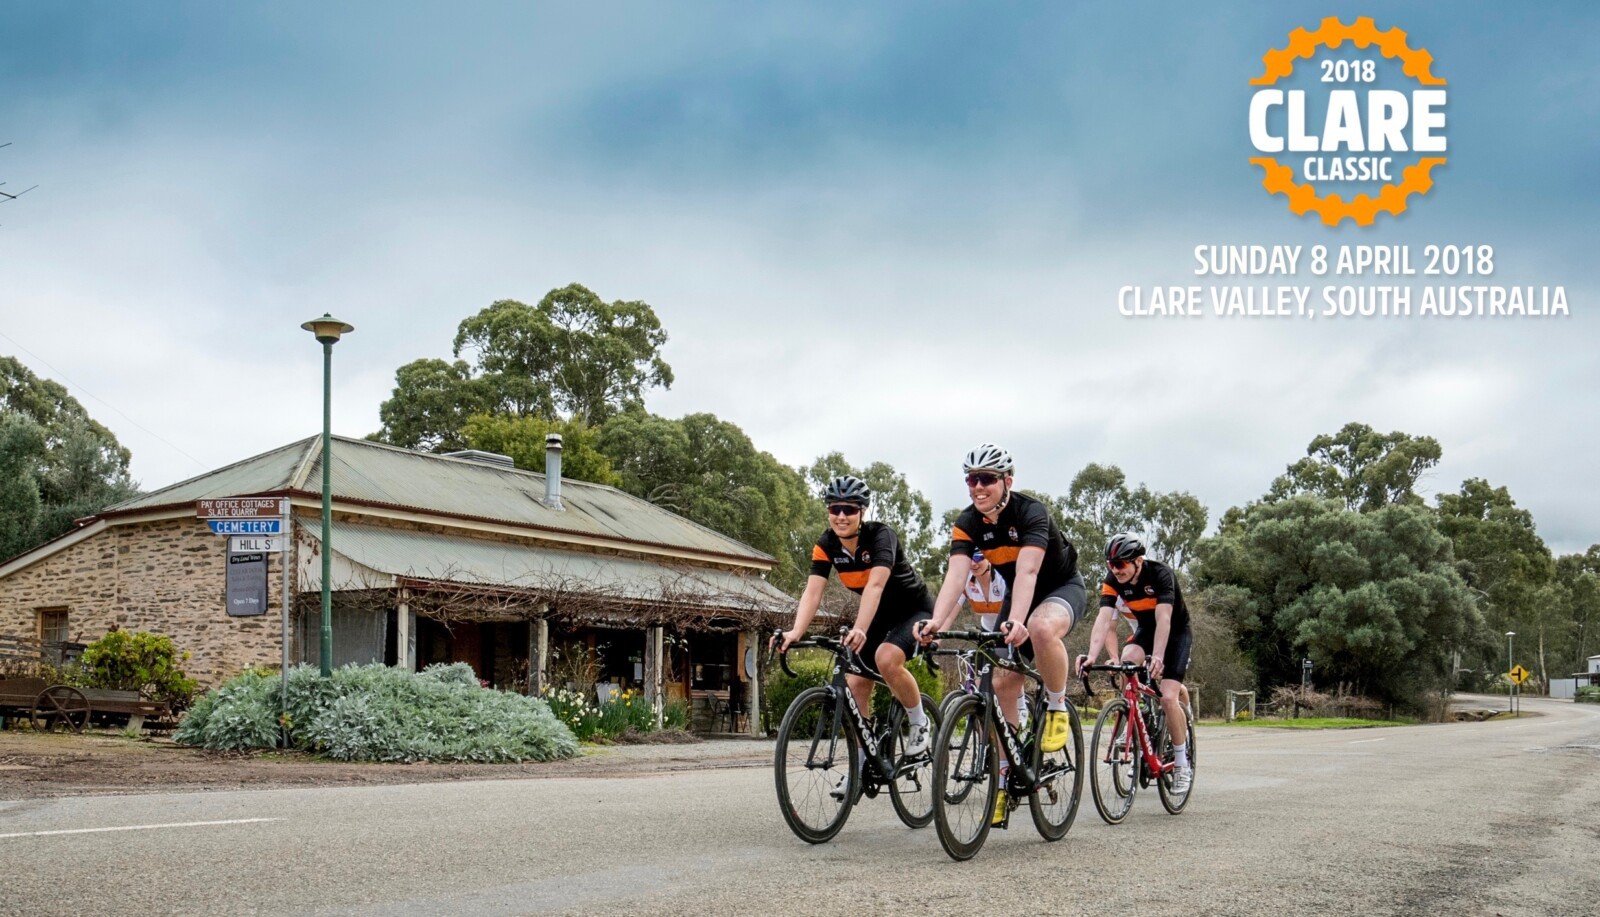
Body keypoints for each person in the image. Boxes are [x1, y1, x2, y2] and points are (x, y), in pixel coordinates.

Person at [917, 443, 1087, 824]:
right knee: (1001, 681)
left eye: (987, 479)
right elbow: (955, 579)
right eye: (971, 480)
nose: (978, 487)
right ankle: (1009, 772)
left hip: (1060, 588)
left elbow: (1027, 574)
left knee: (1042, 629)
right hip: (1019, 596)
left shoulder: (1031, 512)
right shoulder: (967, 522)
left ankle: (1057, 706)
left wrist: (1019, 620)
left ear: (1007, 480)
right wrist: (937, 625)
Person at [776, 475, 936, 778]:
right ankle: (863, 762)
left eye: (849, 510)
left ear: (862, 511)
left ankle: (919, 722)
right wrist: (796, 631)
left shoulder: (880, 536)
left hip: (913, 610)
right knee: (855, 682)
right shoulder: (826, 544)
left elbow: (875, 585)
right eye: (834, 509)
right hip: (878, 615)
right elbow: (812, 591)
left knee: (886, 658)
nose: (841, 516)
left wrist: (860, 628)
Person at [1076, 533, 1194, 794]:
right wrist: (1091, 656)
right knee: (1126, 664)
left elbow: (1164, 619)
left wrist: (1159, 657)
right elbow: (1104, 619)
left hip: (1175, 633)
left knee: (1168, 697)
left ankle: (1182, 763)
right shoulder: (1112, 581)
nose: (1114, 570)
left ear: (1138, 561)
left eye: (1120, 564)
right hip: (1145, 630)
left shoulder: (1161, 575)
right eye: (1110, 564)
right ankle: (1134, 721)